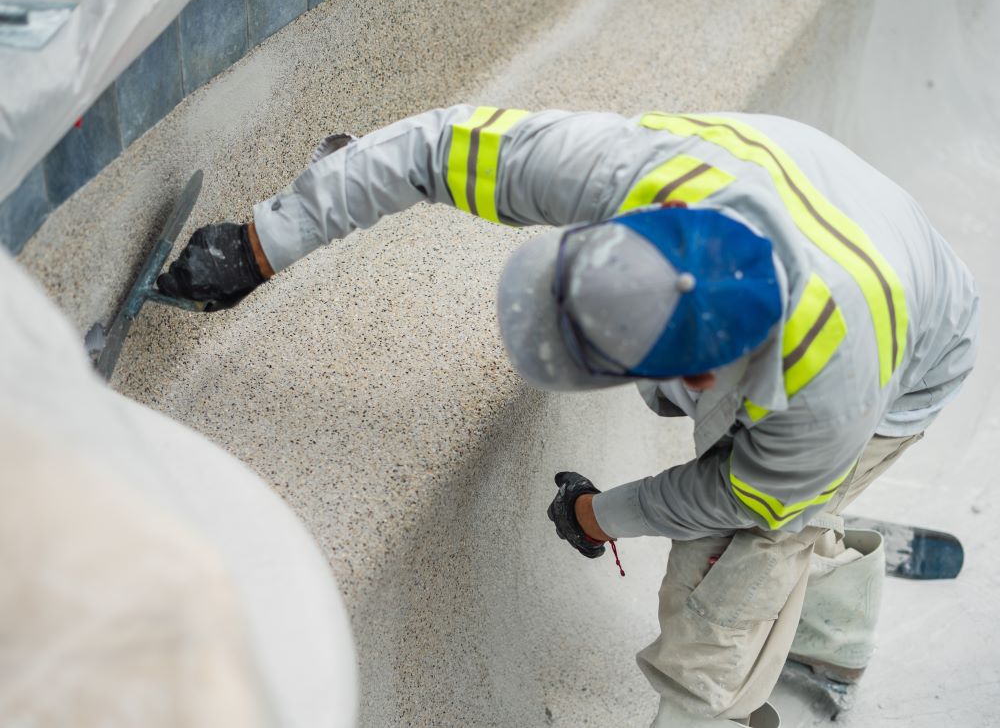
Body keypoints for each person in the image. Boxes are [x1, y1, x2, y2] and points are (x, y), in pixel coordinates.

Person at [158, 106, 979, 727]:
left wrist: (601, 514)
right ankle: (830, 622)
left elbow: (739, 497)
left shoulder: (825, 384)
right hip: (832, 225)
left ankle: (744, 680)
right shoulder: (635, 170)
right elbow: (438, 150)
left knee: (728, 575)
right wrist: (264, 241)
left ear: (697, 373)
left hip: (911, 358)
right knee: (782, 513)